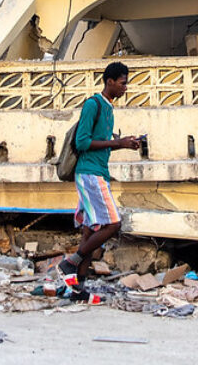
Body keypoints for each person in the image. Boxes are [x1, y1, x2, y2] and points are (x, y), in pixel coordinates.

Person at [57, 61, 141, 301]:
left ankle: (78, 289)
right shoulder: (93, 105)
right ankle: (70, 263)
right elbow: (82, 143)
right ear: (110, 81)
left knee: (90, 230)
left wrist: (124, 143)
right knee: (113, 224)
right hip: (90, 174)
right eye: (123, 83)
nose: (126, 87)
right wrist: (118, 143)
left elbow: (100, 144)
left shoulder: (109, 109)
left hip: (97, 171)